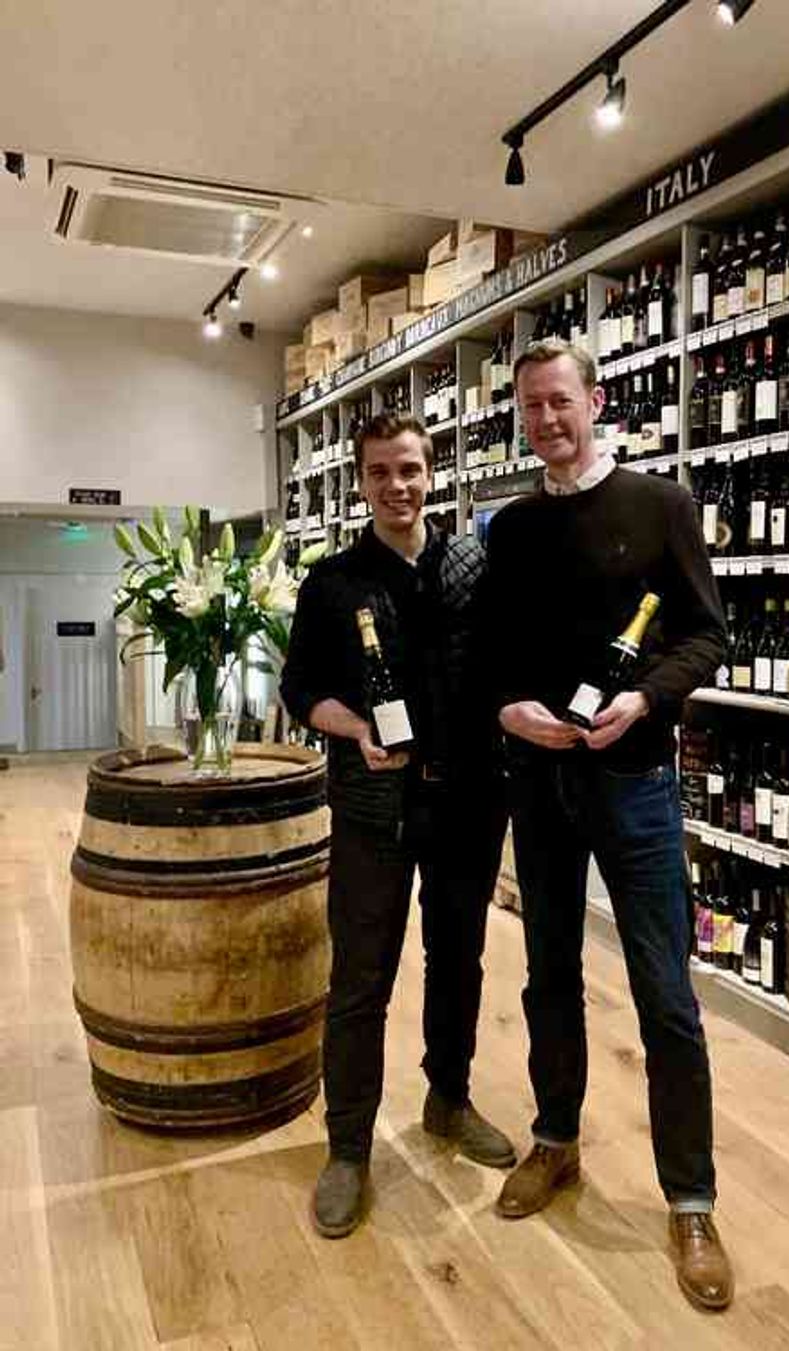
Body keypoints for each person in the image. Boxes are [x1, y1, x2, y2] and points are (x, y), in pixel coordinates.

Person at [485, 338, 734, 1312]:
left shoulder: (659, 505)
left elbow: (706, 634)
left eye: (560, 401)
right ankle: (556, 1139)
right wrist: (508, 708)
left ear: (594, 400)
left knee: (664, 992)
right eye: (531, 407)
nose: (546, 420)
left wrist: (647, 698)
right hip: (539, 782)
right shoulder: (511, 528)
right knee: (548, 973)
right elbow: (494, 650)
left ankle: (691, 1200)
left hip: (633, 783)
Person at [281, 412, 514, 1240]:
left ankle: (448, 1099)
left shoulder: (474, 565)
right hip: (373, 807)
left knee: (458, 961)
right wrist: (354, 729)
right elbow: (300, 689)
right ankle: (348, 1147)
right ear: (360, 481)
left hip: (467, 802)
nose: (397, 486)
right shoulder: (332, 582)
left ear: (432, 471)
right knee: (360, 978)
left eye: (409, 469)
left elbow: (505, 667)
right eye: (380, 472)